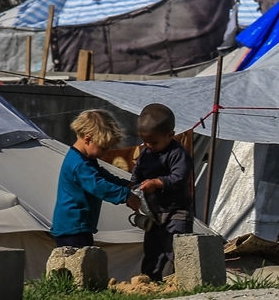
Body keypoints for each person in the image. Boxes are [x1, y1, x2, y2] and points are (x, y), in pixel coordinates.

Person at [51, 109, 140, 248]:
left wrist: (127, 184)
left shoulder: (85, 159)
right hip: (73, 228)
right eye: (103, 148)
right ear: (88, 139)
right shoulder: (79, 164)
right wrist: (125, 195)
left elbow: (102, 175)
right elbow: (98, 185)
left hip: (78, 227)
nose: (106, 153)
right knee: (79, 266)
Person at [130, 103, 194, 281]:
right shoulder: (146, 153)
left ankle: (184, 282)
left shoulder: (178, 154)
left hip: (176, 212)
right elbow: (137, 173)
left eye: (154, 142)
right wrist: (134, 188)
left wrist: (157, 183)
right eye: (145, 142)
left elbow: (179, 177)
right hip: (153, 214)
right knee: (153, 253)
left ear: (171, 135)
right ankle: (149, 283)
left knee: (178, 251)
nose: (149, 145)